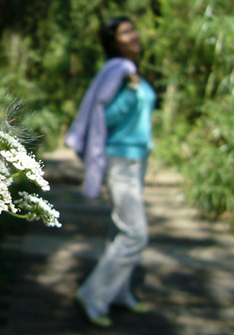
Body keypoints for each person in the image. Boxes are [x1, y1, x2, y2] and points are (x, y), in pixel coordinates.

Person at [65, 16, 156, 327]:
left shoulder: (133, 72)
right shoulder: (118, 71)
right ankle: (93, 295)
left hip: (137, 159)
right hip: (120, 161)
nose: (134, 34)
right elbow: (107, 116)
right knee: (135, 234)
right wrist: (130, 93)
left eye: (133, 28)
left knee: (120, 230)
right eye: (125, 31)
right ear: (114, 41)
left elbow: (139, 121)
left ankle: (119, 294)